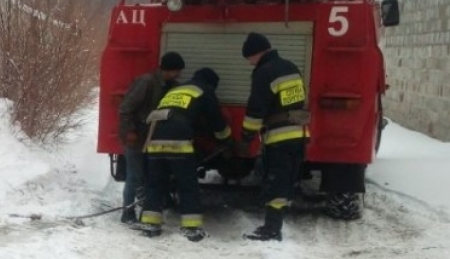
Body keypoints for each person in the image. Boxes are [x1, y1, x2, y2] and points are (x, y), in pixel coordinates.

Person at [137, 67, 233, 242]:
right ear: (211, 84)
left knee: (155, 184)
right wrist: (226, 138)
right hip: (178, 142)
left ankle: (150, 224)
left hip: (154, 138)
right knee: (187, 184)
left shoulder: (176, 90)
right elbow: (216, 122)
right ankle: (191, 228)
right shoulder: (205, 90)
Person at [240, 32, 309, 241]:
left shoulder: (264, 72)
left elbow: (256, 108)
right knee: (286, 181)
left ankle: (272, 229)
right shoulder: (290, 67)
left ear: (256, 53)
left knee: (275, 182)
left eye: (249, 59)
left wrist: (246, 135)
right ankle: (275, 225)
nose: (250, 63)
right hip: (299, 133)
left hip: (279, 137)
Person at [117, 52, 184, 224]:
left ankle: (146, 211)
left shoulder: (172, 86)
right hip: (137, 138)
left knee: (150, 177)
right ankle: (128, 212)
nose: (179, 74)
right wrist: (129, 132)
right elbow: (126, 108)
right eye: (177, 70)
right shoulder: (146, 82)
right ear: (168, 69)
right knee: (134, 176)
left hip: (154, 140)